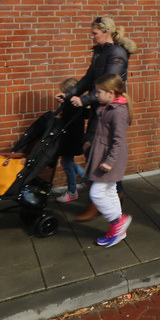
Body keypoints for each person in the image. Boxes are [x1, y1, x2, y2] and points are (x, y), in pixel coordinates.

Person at [58, 16, 137, 221]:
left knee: (99, 151)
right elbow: (88, 79)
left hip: (110, 109)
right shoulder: (100, 52)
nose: (91, 37)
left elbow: (107, 85)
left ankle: (100, 201)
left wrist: (84, 100)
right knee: (91, 148)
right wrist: (69, 94)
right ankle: (113, 195)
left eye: (94, 33)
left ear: (106, 32)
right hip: (98, 108)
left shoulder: (116, 53)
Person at [77, 74, 133, 247]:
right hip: (104, 156)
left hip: (110, 159)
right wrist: (91, 143)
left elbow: (118, 141)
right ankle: (118, 230)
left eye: (99, 92)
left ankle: (118, 222)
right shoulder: (107, 107)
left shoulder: (118, 112)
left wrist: (110, 161)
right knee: (109, 190)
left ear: (111, 93)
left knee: (97, 193)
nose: (96, 95)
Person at [55, 78, 86, 203]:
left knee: (67, 164)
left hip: (69, 139)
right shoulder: (79, 104)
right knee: (67, 162)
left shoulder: (72, 105)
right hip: (74, 138)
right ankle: (87, 178)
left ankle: (72, 191)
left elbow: (65, 121)